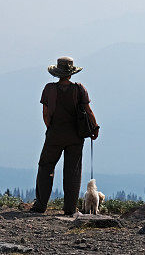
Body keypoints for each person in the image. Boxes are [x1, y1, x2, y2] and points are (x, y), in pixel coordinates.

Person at [30, 56, 99, 215]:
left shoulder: (49, 89)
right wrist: (94, 128)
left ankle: (40, 205)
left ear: (57, 72)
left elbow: (46, 114)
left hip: (54, 134)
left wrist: (52, 129)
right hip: (76, 135)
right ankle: (69, 208)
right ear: (71, 73)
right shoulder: (79, 89)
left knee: (46, 167)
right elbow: (88, 111)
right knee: (73, 170)